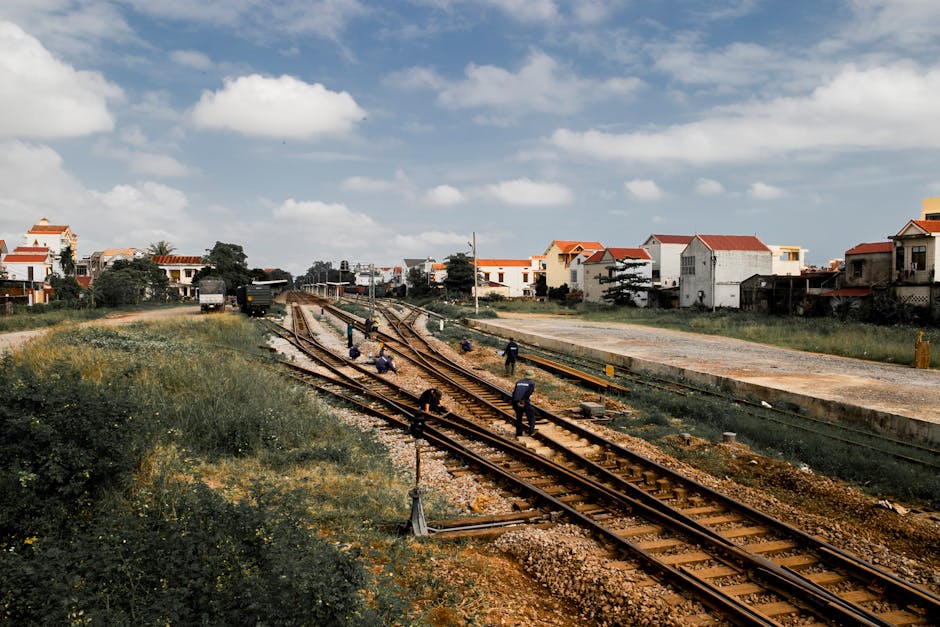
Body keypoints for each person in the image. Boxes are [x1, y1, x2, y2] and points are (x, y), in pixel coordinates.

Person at [512, 370, 537, 437]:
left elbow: (514, 393)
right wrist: (523, 401)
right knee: (531, 415)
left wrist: (516, 402)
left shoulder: (518, 382)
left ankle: (518, 433)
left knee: (519, 417)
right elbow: (528, 393)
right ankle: (531, 431)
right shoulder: (531, 383)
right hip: (523, 401)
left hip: (515, 401)